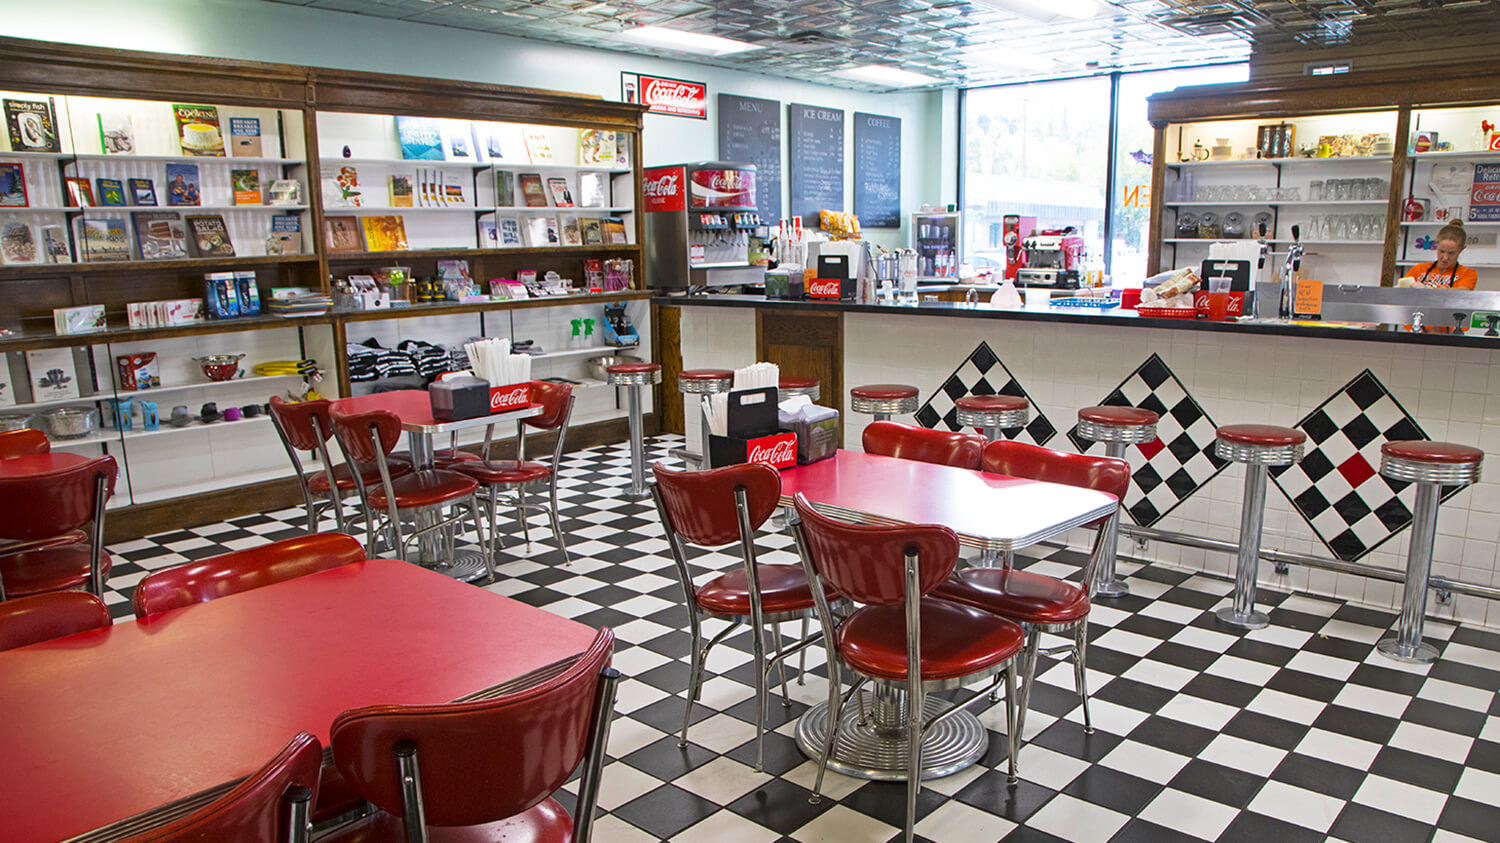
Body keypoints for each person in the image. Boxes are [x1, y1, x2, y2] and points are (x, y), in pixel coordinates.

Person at [1400, 220, 1478, 289]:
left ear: (1461, 250)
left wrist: (1429, 290)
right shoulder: (1418, 269)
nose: (1445, 257)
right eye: (1442, 251)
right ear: (1436, 245)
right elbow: (1401, 290)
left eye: (1451, 253)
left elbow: (1460, 293)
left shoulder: (1468, 273)